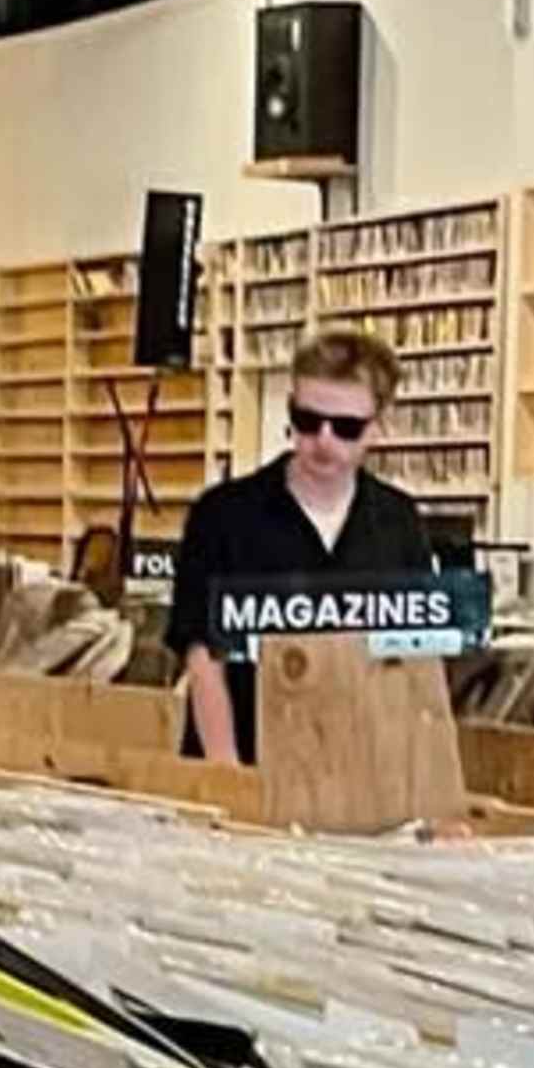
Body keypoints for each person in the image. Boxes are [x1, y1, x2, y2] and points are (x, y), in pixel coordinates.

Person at [165, 326, 445, 763]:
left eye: (346, 428)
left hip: (356, 770)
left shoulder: (399, 522)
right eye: (307, 421)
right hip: (246, 759)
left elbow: (417, 663)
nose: (323, 441)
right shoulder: (221, 516)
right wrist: (226, 775)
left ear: (379, 427)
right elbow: (203, 660)